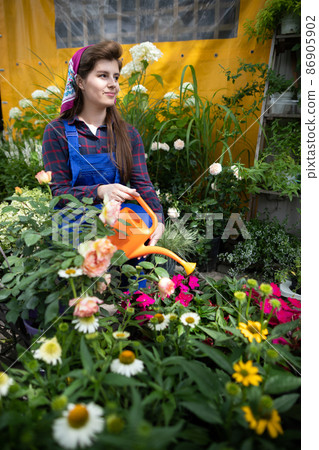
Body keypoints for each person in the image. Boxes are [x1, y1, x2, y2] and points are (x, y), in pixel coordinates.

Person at [42, 40, 164, 246]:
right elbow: (59, 194)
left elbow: (142, 185)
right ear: (80, 82)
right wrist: (100, 191)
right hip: (74, 237)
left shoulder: (128, 134)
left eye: (115, 77)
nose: (113, 84)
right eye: (103, 76)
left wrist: (158, 219)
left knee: (130, 272)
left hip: (120, 232)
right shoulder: (57, 132)